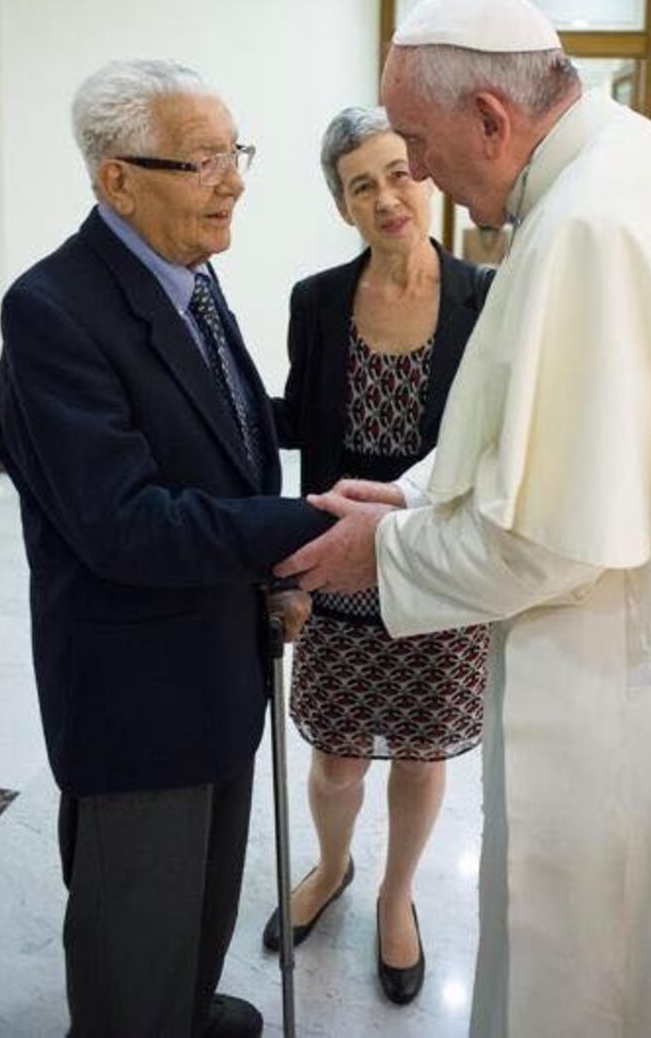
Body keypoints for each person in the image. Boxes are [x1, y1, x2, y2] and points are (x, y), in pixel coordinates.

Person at [274, 0, 651, 1038]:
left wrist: (390, 549)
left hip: (634, 679)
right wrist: (410, 493)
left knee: (612, 982)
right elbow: (550, 439)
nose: (415, 173)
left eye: (415, 142)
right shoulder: (639, 168)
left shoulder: (583, 226)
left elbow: (546, 532)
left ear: (490, 120)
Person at [0, 59, 330, 1038]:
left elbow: (225, 435)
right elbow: (123, 524)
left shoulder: (188, 268)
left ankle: (183, 1007)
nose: (233, 180)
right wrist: (308, 525)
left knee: (207, 886)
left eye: (236, 153)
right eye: (202, 161)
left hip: (218, 653)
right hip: (134, 687)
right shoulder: (52, 311)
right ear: (117, 180)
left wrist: (267, 566)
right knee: (133, 921)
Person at [261, 106, 493, 1005]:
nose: (389, 197)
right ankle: (332, 869)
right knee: (337, 759)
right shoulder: (317, 302)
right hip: (340, 566)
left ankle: (398, 897)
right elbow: (307, 430)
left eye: (401, 172)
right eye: (364, 184)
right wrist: (289, 565)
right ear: (342, 205)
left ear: (426, 176)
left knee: (422, 754)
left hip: (435, 569)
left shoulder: (484, 298)